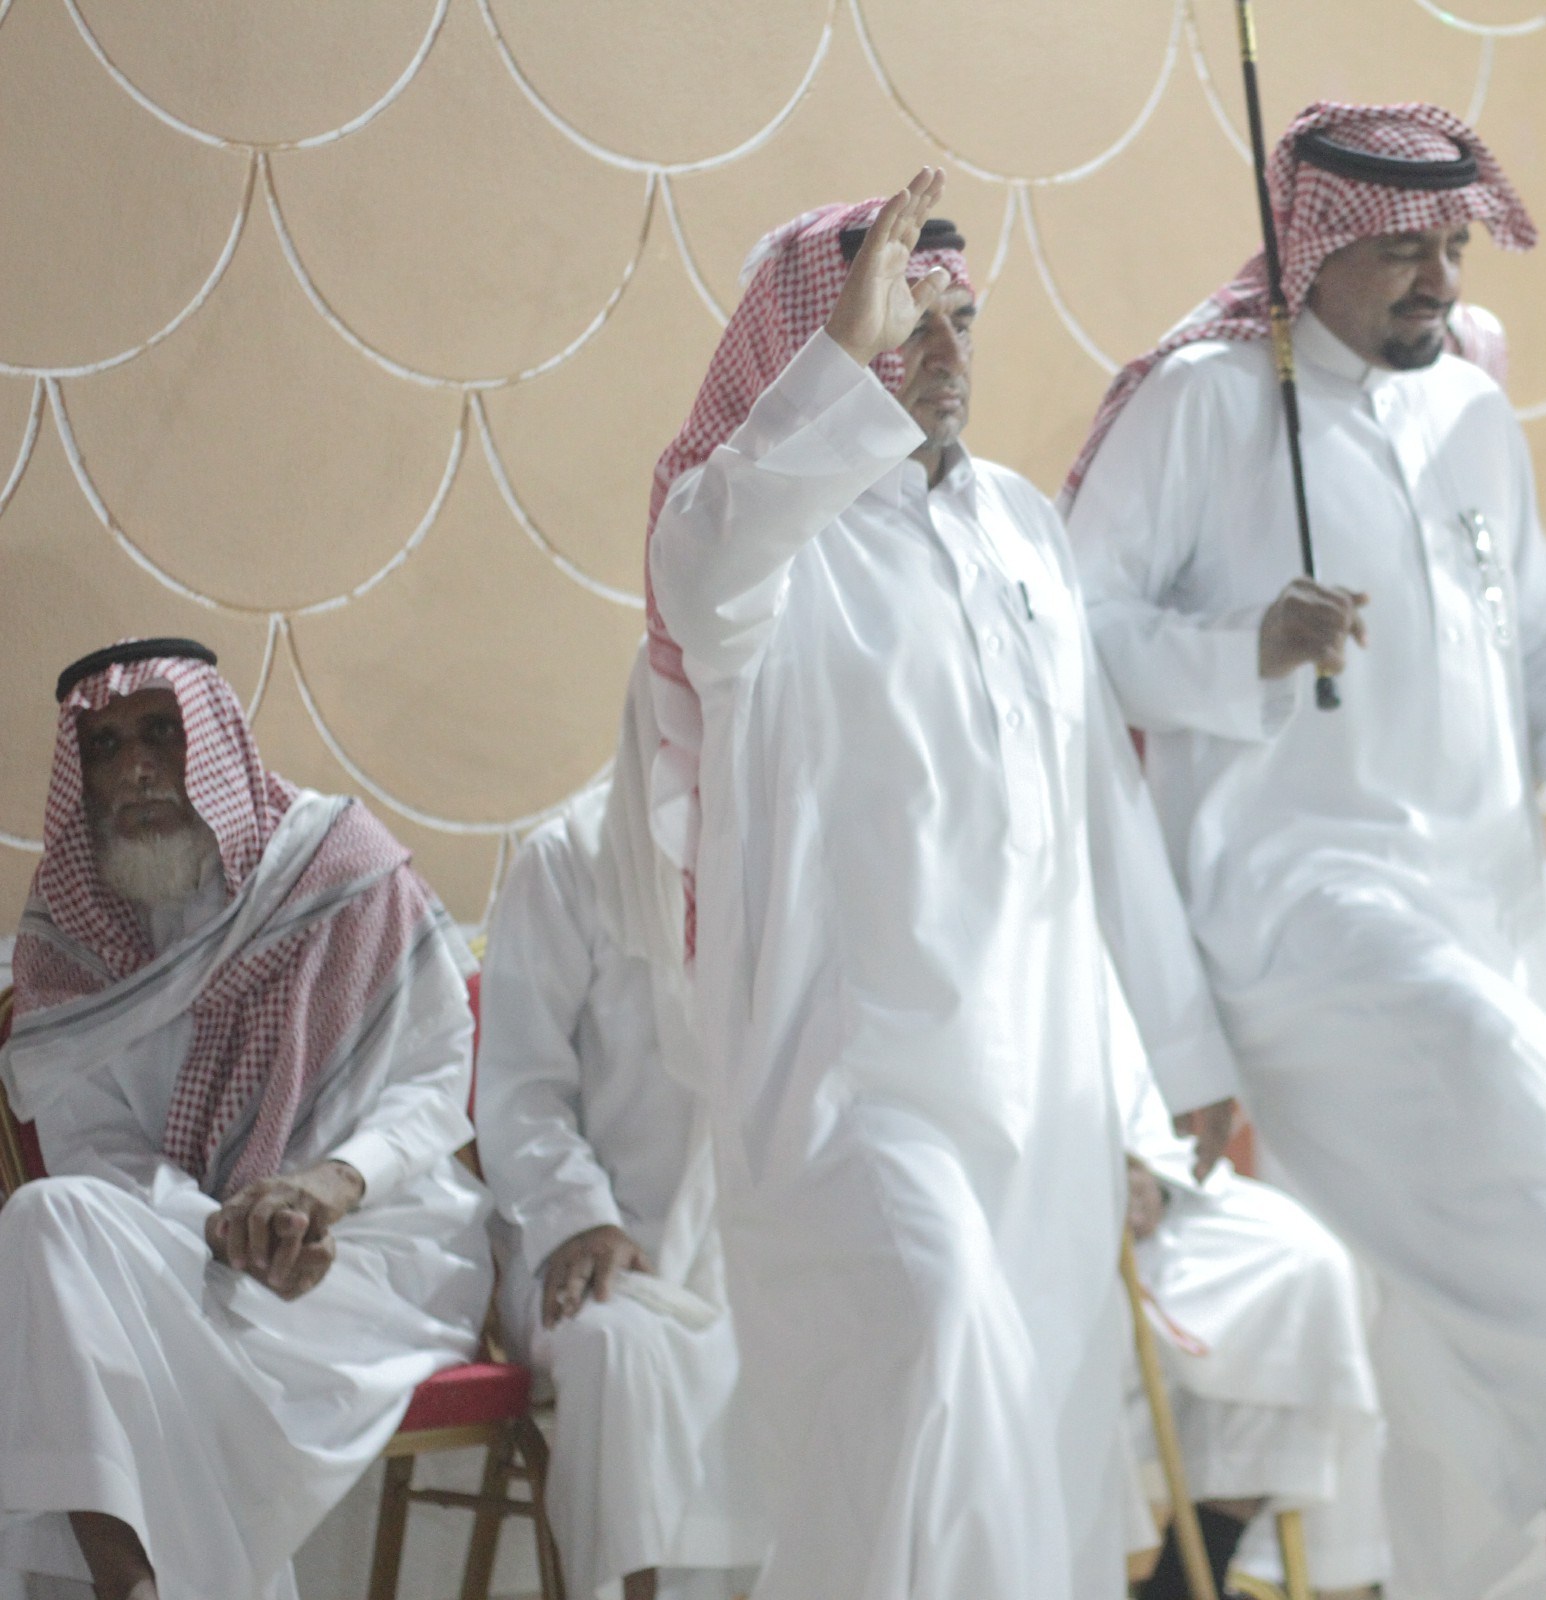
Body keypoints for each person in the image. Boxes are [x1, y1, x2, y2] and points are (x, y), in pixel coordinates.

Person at [1063, 101, 1546, 1600]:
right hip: (1290, 901)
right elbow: (1077, 632)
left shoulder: (1472, 413)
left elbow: (1534, 626)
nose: (1439, 279)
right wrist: (1243, 648)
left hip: (1484, 896)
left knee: (1415, 1260)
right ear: (1309, 251)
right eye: (1401, 252)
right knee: (1473, 1094)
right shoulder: (1204, 405)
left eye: (1451, 246)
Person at [645, 171, 1242, 1600]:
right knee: (941, 1348)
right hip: (849, 1089)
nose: (944, 353)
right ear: (821, 351)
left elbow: (1095, 807)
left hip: (1041, 1088)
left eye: (961, 321)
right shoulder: (755, 542)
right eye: (904, 327)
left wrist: (1170, 1064)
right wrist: (837, 358)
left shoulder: (1024, 528)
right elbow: (708, 573)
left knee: (1021, 1445)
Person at [0, 639, 490, 1600]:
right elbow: (95, 1155)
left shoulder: (337, 866)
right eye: (104, 748)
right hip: (200, 1248)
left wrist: (323, 1190)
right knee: (46, 1219)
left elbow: (434, 1073)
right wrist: (227, 1232)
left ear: (216, 740)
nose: (135, 769)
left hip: (372, 1247)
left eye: (161, 732)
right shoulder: (69, 935)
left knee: (87, 1320)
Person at [475, 656, 769, 1600]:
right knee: (620, 1353)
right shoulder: (567, 860)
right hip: (586, 1252)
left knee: (844, 1328)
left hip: (740, 1250)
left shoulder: (784, 871)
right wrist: (582, 1220)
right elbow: (519, 1088)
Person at [1114, 982, 1387, 1600]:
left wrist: (1144, 1162)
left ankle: (1200, 1565)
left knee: (1305, 1266)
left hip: (1152, 1186)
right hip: (1040, 1207)